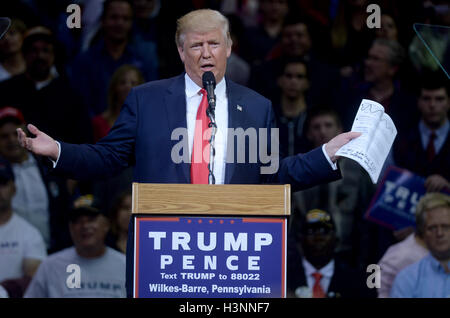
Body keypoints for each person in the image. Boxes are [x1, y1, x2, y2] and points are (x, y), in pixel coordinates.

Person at [16, 9, 360, 297]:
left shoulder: (256, 107)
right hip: (165, 254)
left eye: (214, 43)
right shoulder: (146, 100)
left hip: (235, 253)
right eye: (196, 45)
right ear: (181, 52)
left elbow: (270, 176)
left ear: (229, 48)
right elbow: (108, 157)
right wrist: (58, 150)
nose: (206, 53)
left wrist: (324, 154)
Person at [291, 107, 374, 265]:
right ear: (308, 134)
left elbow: (366, 220)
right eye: (316, 127)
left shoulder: (357, 170)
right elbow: (293, 221)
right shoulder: (298, 170)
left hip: (348, 254)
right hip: (304, 257)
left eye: (328, 125)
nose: (322, 131)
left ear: (340, 130)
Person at [0, 26, 92, 144]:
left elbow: (83, 139)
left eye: (46, 50)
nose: (40, 56)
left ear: (53, 56)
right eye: (34, 50)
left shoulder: (70, 94)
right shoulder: (7, 90)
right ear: (24, 54)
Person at [68, 0, 159, 116]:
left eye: (125, 19)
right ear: (102, 21)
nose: (119, 23)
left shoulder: (144, 61)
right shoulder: (85, 61)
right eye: (114, 17)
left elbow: (151, 102)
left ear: (132, 23)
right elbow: (80, 106)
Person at [24, 195, 126, 298]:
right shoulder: (50, 266)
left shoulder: (126, 266)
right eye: (77, 221)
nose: (85, 226)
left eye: (91, 219)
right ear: (71, 228)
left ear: (106, 224)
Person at [0, 106, 72, 252]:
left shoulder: (48, 165)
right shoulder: (2, 176)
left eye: (16, 133)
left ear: (25, 132)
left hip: (54, 249)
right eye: (4, 136)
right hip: (11, 253)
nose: (12, 140)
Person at [287, 208, 376, 298]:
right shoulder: (285, 277)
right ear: (300, 241)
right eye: (311, 232)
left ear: (336, 241)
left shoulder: (357, 280)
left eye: (324, 231)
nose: (318, 237)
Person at [393, 72, 450, 192]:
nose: (432, 105)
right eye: (426, 98)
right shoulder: (400, 138)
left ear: (449, 103)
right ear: (418, 102)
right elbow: (385, 179)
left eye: (439, 99)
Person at [0, 158, 47, 298]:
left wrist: (4, 290)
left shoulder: (29, 234)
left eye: (3, 184)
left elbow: (33, 279)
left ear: (14, 188)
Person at [390, 192, 450, 298]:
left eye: (446, 226)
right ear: (422, 233)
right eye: (432, 228)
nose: (440, 233)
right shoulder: (407, 279)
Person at [377, 195, 430, 298]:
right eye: (434, 227)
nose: (440, 232)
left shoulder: (440, 256)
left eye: (446, 226)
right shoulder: (400, 257)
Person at [91, 64, 145, 142]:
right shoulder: (98, 123)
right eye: (123, 82)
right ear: (114, 88)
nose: (128, 86)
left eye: (133, 83)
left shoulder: (147, 122)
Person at [273, 57, 311, 157]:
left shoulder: (314, 117)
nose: (293, 81)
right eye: (288, 76)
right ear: (279, 80)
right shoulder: (269, 116)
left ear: (307, 83)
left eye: (299, 77)